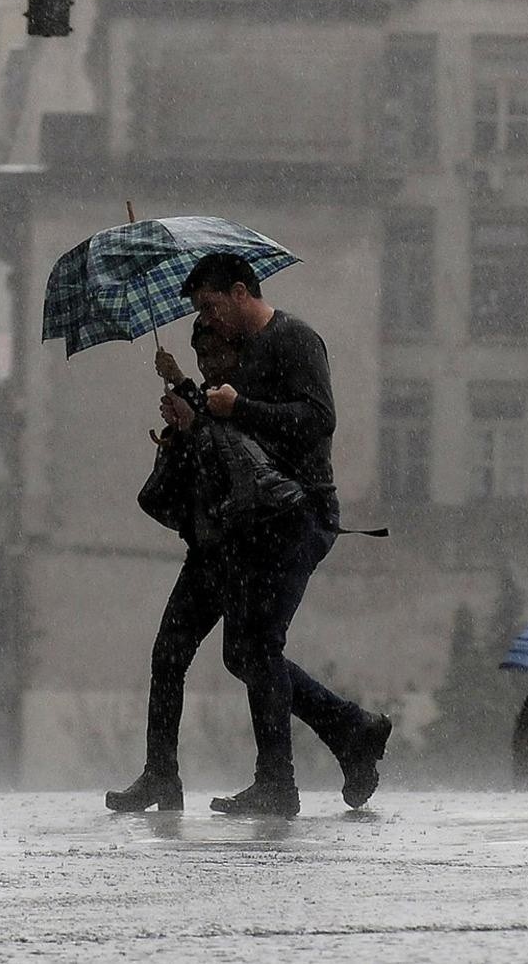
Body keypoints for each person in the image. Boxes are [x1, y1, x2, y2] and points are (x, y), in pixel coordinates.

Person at [156, 252, 392, 818]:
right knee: (244, 652)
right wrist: (189, 402)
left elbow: (317, 419)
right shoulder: (241, 354)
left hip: (302, 512)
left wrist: (242, 406)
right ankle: (351, 731)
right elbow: (233, 436)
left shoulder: (295, 338)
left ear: (241, 292)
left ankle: (279, 782)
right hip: (258, 521)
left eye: (211, 307)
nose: (208, 321)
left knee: (257, 646)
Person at [107, 324, 298, 812]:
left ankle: (277, 778)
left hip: (241, 548)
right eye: (198, 353)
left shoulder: (245, 397)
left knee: (252, 655)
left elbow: (240, 465)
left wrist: (193, 421)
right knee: (168, 654)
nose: (206, 360)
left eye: (211, 349)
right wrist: (176, 430)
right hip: (207, 550)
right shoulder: (204, 398)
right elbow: (197, 471)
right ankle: (160, 774)